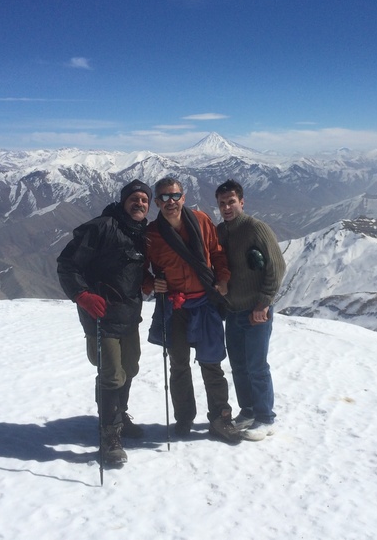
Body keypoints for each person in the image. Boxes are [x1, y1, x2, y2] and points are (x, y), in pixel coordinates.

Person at [56, 179, 152, 465]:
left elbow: (132, 268)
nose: (140, 203)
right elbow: (67, 264)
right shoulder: (102, 228)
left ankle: (119, 416)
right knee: (112, 375)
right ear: (123, 201)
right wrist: (81, 295)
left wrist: (144, 278)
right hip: (101, 315)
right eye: (134, 199)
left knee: (130, 367)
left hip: (129, 314)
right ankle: (109, 435)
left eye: (144, 200)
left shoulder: (140, 233)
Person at [144, 176, 241, 444]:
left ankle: (220, 417)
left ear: (183, 197)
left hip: (205, 304)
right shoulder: (152, 235)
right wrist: (153, 283)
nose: (170, 202)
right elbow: (141, 271)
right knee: (179, 365)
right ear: (156, 202)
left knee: (212, 364)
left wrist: (222, 279)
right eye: (164, 197)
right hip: (174, 307)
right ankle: (184, 417)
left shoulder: (200, 221)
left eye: (175, 196)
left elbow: (218, 253)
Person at [215, 179, 286, 441]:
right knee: (239, 366)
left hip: (256, 311)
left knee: (256, 366)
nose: (226, 207)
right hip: (234, 310)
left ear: (241, 202)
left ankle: (266, 418)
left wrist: (264, 303)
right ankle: (247, 412)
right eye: (222, 203)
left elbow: (277, 267)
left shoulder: (256, 229)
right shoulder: (221, 232)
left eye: (231, 202)